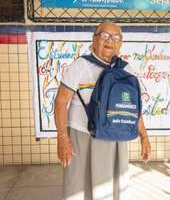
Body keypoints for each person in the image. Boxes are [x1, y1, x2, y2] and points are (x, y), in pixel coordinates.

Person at [54, 21, 151, 200]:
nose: (110, 41)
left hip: (116, 137)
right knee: (78, 186)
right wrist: (62, 138)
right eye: (105, 36)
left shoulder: (127, 70)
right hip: (82, 137)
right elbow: (60, 102)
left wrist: (144, 137)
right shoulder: (80, 65)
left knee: (112, 188)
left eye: (115, 37)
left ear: (120, 43)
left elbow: (132, 108)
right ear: (94, 39)